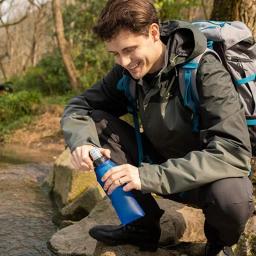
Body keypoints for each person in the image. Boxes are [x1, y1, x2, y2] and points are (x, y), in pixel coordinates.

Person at [61, 0, 254, 255]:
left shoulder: (206, 71)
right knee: (95, 123)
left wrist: (147, 177)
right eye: (115, 54)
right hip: (157, 161)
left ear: (153, 33)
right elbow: (79, 106)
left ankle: (218, 244)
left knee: (233, 197)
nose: (124, 61)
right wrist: (82, 142)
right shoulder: (127, 72)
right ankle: (143, 226)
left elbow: (233, 152)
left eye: (129, 50)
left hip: (205, 180)